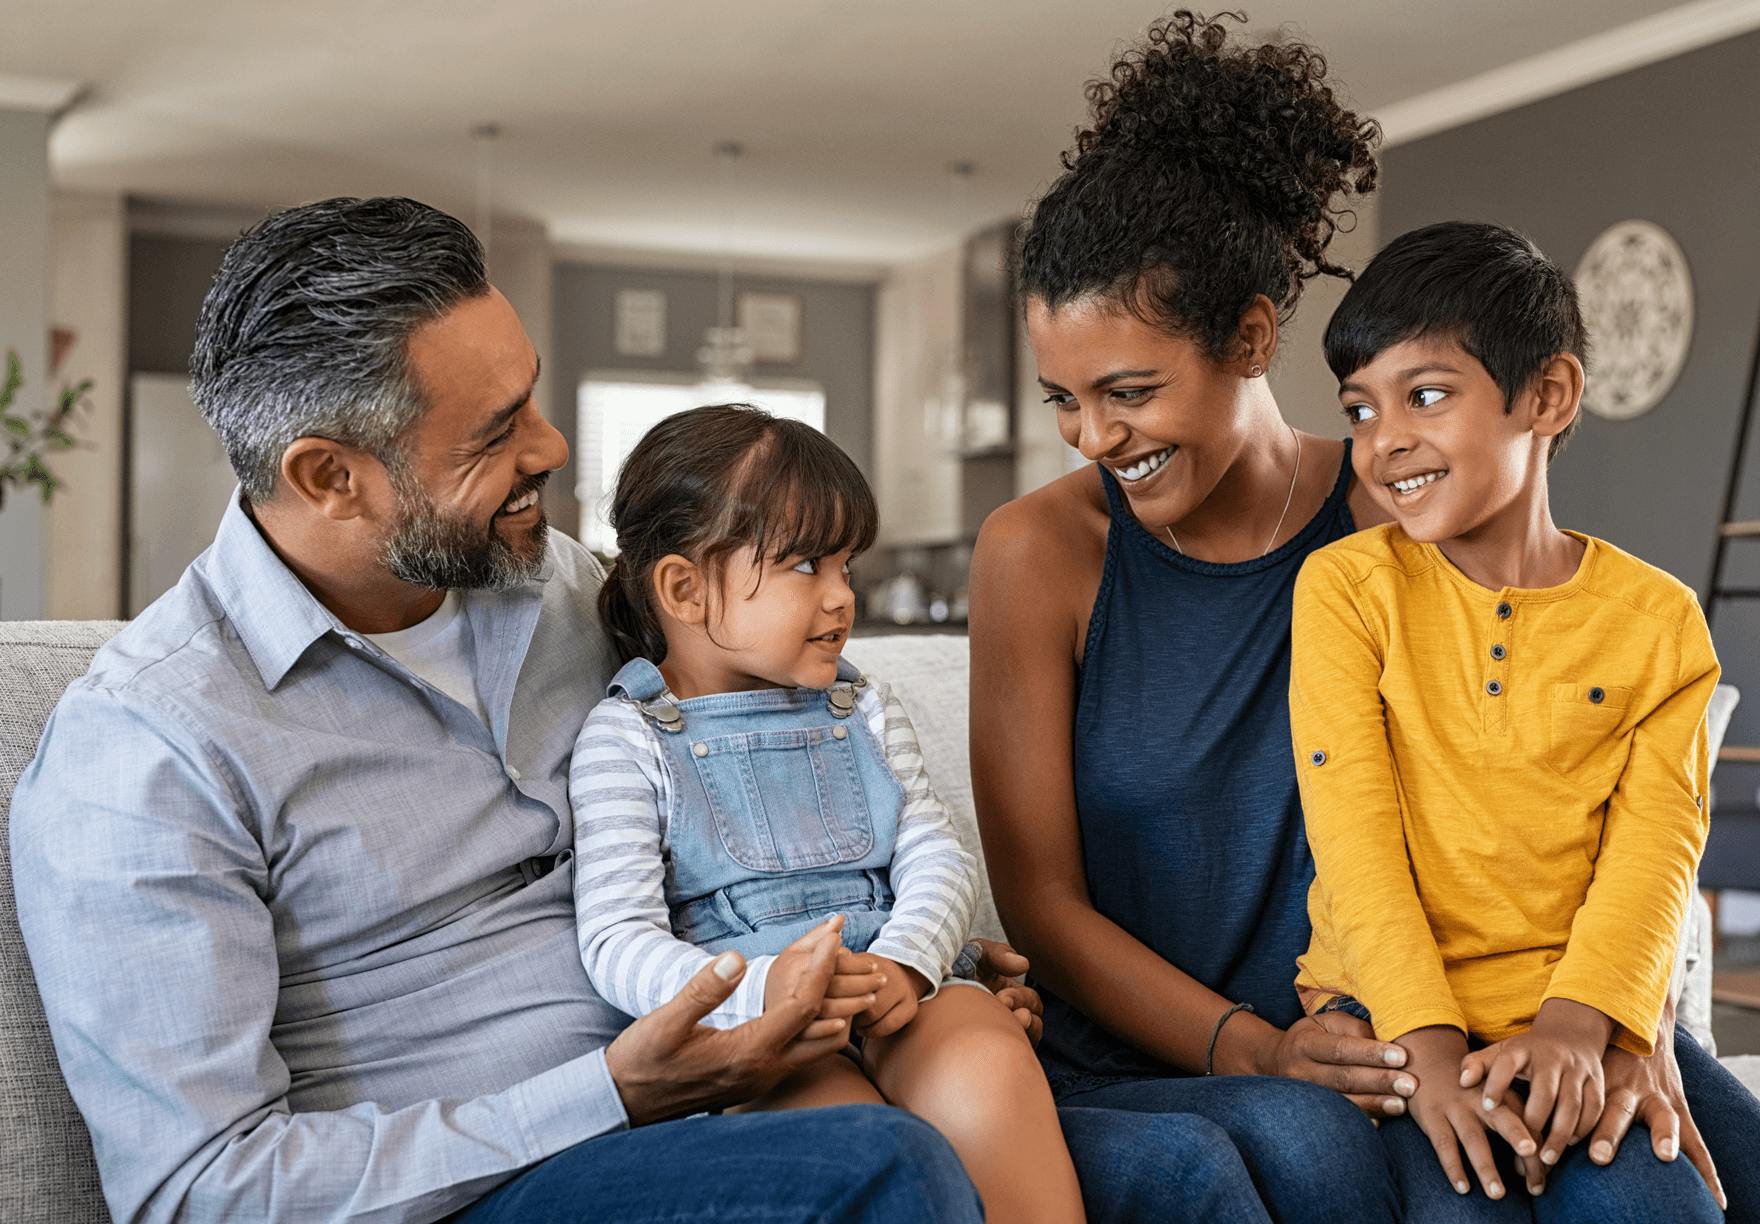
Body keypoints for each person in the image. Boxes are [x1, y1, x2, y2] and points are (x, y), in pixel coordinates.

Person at [11, 194, 1280, 1224]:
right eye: (497, 431)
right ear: (330, 477)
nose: (555, 449)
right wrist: (609, 1093)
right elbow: (198, 1194)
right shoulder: (152, 749)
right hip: (498, 1179)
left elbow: (797, 762)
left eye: (536, 395)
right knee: (878, 1176)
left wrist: (908, 950)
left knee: (1189, 1178)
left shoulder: (568, 596)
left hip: (761, 1066)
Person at [968, 9, 1732, 1220]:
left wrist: (1622, 1023)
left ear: (1252, 338)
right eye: (1061, 398)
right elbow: (1043, 910)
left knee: (1700, 1156)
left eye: (1126, 392)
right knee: (1324, 1146)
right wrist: (1252, 1046)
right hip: (1209, 1053)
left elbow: (1577, 782)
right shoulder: (1036, 552)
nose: (1091, 437)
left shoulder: (1400, 508)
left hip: (1452, 1013)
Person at [1291, 219, 1760, 1221]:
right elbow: (1354, 838)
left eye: (1424, 395)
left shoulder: (1658, 622)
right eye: (1358, 410)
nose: (1383, 442)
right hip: (1392, 1013)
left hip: (1571, 1009)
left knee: (1667, 1203)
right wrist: (1426, 1051)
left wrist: (1592, 1027)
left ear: (1544, 396)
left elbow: (1653, 854)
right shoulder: (1344, 589)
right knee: (1463, 1201)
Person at [570, 403, 1085, 1222]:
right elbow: (616, 940)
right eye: (807, 564)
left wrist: (909, 963)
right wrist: (767, 991)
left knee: (985, 1054)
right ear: (683, 588)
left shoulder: (862, 706)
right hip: (761, 1031)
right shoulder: (626, 739)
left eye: (848, 565)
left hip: (902, 987)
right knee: (843, 1147)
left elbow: (938, 854)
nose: (844, 597)